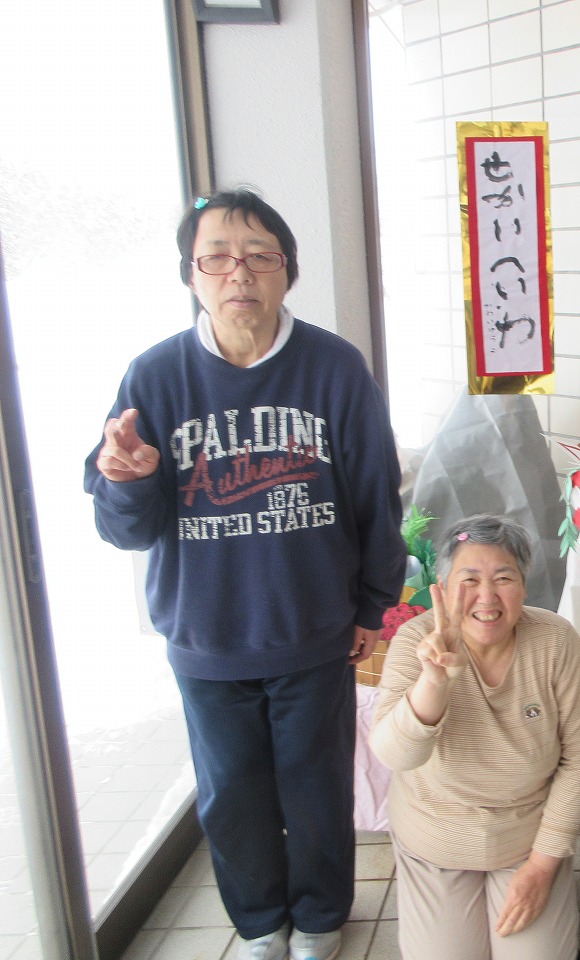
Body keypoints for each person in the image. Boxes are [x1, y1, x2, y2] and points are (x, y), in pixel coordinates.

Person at [84, 190, 405, 960]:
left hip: (313, 629)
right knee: (232, 797)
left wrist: (373, 604)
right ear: (191, 275)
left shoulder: (333, 367)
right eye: (218, 256)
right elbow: (124, 527)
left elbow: (375, 495)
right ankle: (260, 922)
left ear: (287, 272)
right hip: (207, 635)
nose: (240, 272)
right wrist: (127, 479)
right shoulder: (155, 378)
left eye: (260, 255)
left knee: (317, 786)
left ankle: (323, 918)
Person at [369, 514, 580, 960]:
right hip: (435, 842)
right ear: (441, 586)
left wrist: (542, 864)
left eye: (503, 578)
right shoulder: (413, 641)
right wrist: (435, 681)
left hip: (526, 841)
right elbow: (393, 754)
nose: (486, 597)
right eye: (469, 579)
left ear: (525, 585)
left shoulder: (555, 642)